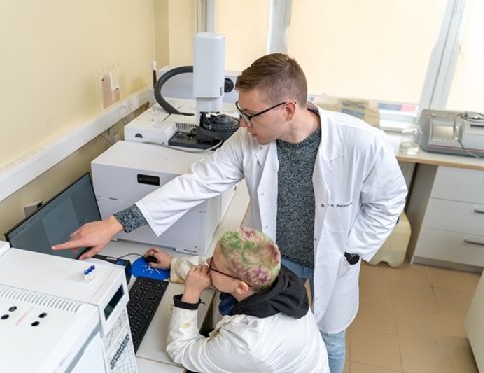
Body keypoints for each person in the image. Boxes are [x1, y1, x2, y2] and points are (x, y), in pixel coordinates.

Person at [53, 53, 407, 372]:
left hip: (331, 257)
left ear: (287, 109)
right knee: (248, 326)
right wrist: (115, 224)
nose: (242, 124)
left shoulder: (361, 142)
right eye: (241, 112)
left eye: (249, 115)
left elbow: (389, 202)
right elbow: (195, 184)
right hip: (270, 257)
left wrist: (350, 248)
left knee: (328, 334)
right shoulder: (249, 141)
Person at [150, 226, 329, 373]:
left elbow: (181, 350)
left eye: (213, 265)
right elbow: (226, 268)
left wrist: (190, 296)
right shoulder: (271, 274)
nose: (207, 264)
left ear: (241, 287)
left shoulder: (249, 342)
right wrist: (174, 264)